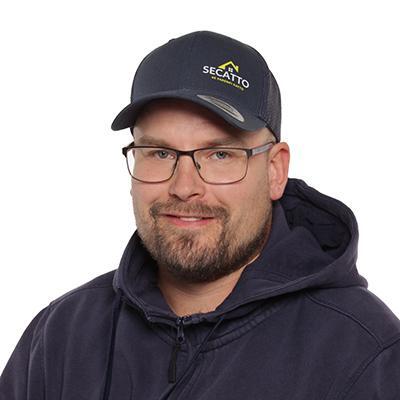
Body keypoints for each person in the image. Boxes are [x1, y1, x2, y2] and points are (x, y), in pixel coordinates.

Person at [1, 30, 399, 400]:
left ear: (275, 171)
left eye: (220, 154)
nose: (184, 186)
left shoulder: (364, 354)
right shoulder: (60, 337)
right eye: (160, 153)